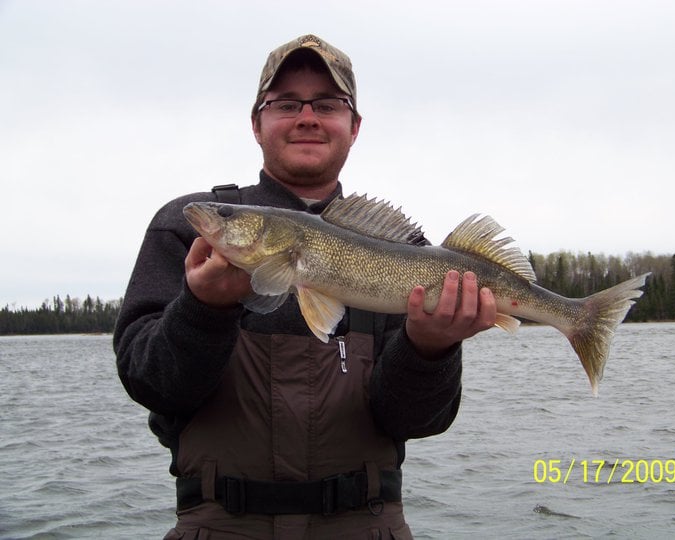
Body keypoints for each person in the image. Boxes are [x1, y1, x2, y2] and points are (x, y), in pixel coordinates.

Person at [114, 34, 497, 539]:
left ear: (354, 127)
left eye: (328, 104)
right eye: (286, 103)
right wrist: (203, 308)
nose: (308, 117)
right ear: (257, 124)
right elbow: (151, 384)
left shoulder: (414, 254)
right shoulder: (184, 230)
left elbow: (414, 420)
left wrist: (429, 349)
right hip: (218, 526)